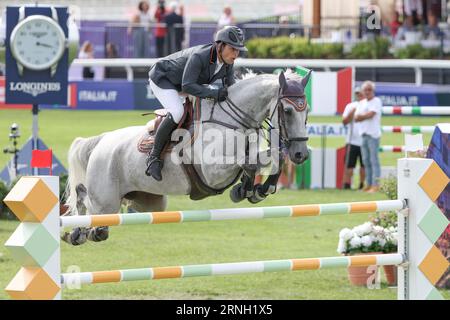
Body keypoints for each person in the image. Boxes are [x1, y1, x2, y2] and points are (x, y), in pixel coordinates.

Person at [146, 26, 247, 181]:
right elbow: (188, 85)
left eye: (238, 50)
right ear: (221, 46)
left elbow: (231, 89)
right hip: (163, 78)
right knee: (178, 112)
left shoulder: (228, 62)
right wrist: (214, 93)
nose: (236, 53)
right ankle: (153, 157)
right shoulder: (201, 56)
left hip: (183, 82)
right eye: (233, 49)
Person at [354, 81, 382, 193]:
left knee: (374, 160)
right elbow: (356, 118)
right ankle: (369, 184)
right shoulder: (362, 102)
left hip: (373, 135)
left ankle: (376, 185)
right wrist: (363, 116)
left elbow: (371, 114)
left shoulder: (377, 101)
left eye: (369, 89)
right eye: (365, 90)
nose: (367, 92)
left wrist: (362, 116)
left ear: (373, 91)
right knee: (366, 161)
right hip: (364, 134)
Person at [342, 87, 365, 190]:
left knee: (364, 166)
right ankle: (347, 185)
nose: (359, 96)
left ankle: (361, 185)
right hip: (352, 141)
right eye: (357, 94)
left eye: (360, 94)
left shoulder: (369, 106)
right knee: (349, 165)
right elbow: (344, 121)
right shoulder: (351, 106)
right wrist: (352, 112)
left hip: (365, 141)